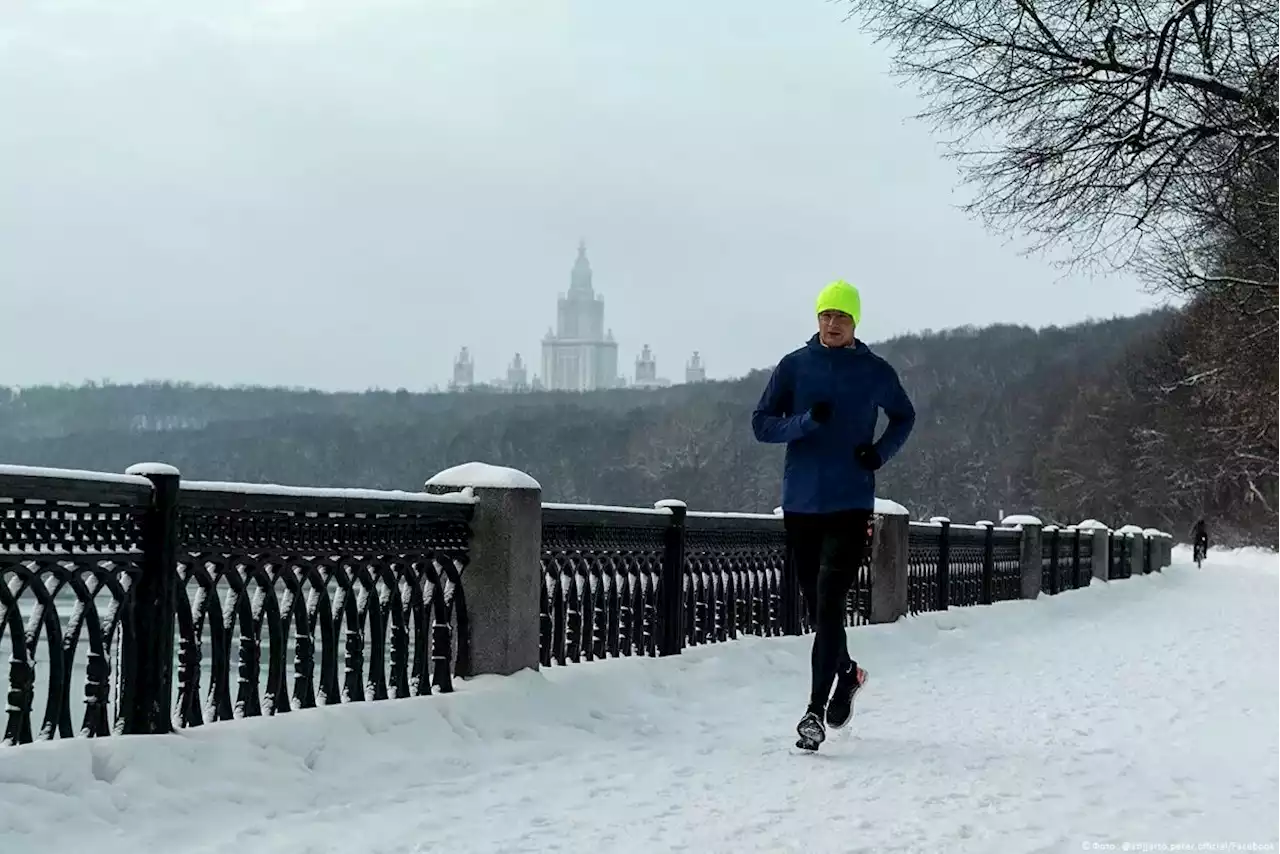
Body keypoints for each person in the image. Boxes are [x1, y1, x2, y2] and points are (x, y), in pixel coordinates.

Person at [751, 279, 916, 750]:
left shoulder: (873, 370)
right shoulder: (794, 367)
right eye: (825, 315)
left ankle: (813, 714)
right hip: (801, 502)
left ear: (854, 322)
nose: (832, 324)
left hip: (849, 502)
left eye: (841, 317)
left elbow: (904, 416)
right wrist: (804, 423)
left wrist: (879, 454)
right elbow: (762, 423)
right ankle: (847, 672)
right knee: (817, 607)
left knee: (828, 603)